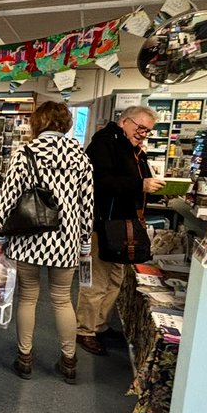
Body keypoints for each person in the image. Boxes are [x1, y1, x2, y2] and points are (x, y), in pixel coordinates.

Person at [0, 101, 94, 384]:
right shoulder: (81, 156)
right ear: (65, 124)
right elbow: (88, 204)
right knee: (63, 300)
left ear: (38, 122)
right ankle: (69, 361)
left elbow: (8, 198)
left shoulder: (25, 153)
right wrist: (84, 242)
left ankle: (25, 358)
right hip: (66, 238)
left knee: (27, 296)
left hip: (28, 236)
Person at [75, 105, 163, 355]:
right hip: (103, 224)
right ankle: (85, 330)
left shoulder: (135, 151)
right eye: (140, 127)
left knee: (116, 280)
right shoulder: (103, 145)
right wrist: (140, 184)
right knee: (97, 280)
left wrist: (153, 187)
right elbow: (99, 183)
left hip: (124, 227)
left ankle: (99, 325)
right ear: (125, 121)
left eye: (148, 131)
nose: (143, 134)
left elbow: (137, 183)